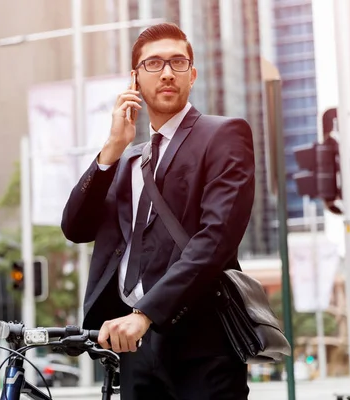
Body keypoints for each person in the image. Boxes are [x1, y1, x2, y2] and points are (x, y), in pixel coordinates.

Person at [60, 22, 255, 399]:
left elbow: (215, 240)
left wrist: (144, 314)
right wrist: (111, 151)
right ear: (134, 80)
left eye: (177, 62)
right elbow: (75, 227)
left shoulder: (224, 135)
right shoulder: (128, 159)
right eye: (153, 64)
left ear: (192, 74)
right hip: (134, 350)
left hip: (202, 346)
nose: (167, 72)